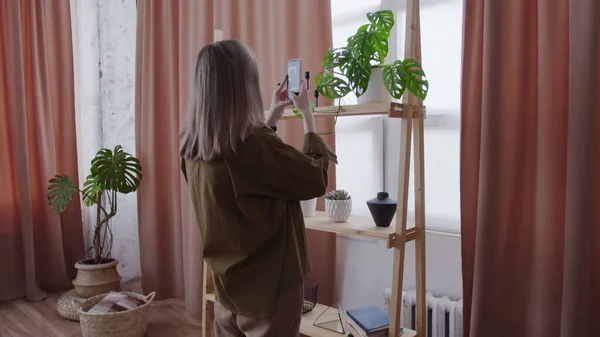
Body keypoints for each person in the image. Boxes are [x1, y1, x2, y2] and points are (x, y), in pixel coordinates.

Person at [179, 39, 337, 337]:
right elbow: (314, 178)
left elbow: (247, 178)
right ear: (244, 86)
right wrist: (308, 116)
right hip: (269, 292)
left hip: (228, 289)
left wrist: (273, 115)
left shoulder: (192, 148)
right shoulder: (253, 144)